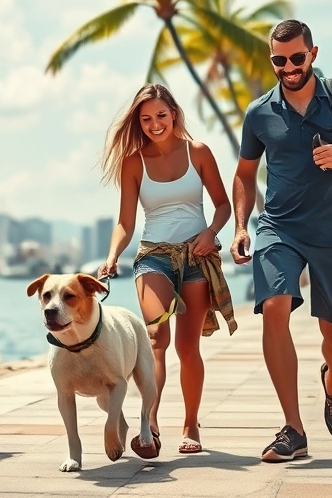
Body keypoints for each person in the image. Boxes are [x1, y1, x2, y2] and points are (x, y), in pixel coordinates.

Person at [229, 20, 332, 462]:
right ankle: (293, 430)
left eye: (296, 58)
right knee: (274, 308)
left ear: (313, 54)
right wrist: (242, 225)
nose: (288, 67)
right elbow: (246, 174)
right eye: (278, 60)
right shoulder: (259, 112)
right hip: (279, 228)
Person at [97, 83, 235, 456]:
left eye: (160, 115)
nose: (154, 124)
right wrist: (112, 257)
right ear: (138, 123)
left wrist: (210, 233)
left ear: (173, 112)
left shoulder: (199, 153)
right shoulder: (133, 162)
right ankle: (150, 423)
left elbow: (223, 205)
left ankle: (191, 424)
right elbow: (125, 222)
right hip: (153, 256)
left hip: (197, 255)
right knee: (157, 340)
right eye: (146, 119)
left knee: (188, 348)